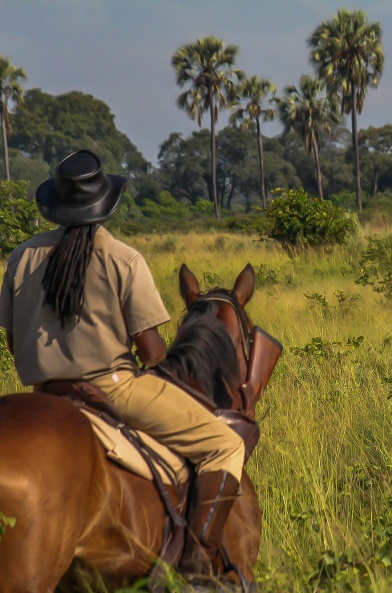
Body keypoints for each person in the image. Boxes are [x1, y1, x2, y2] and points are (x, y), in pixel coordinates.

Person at [0, 149, 244, 583]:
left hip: (42, 393)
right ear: (104, 203)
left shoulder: (20, 258)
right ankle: (198, 570)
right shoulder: (123, 258)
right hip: (114, 389)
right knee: (225, 445)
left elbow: (12, 340)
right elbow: (152, 354)